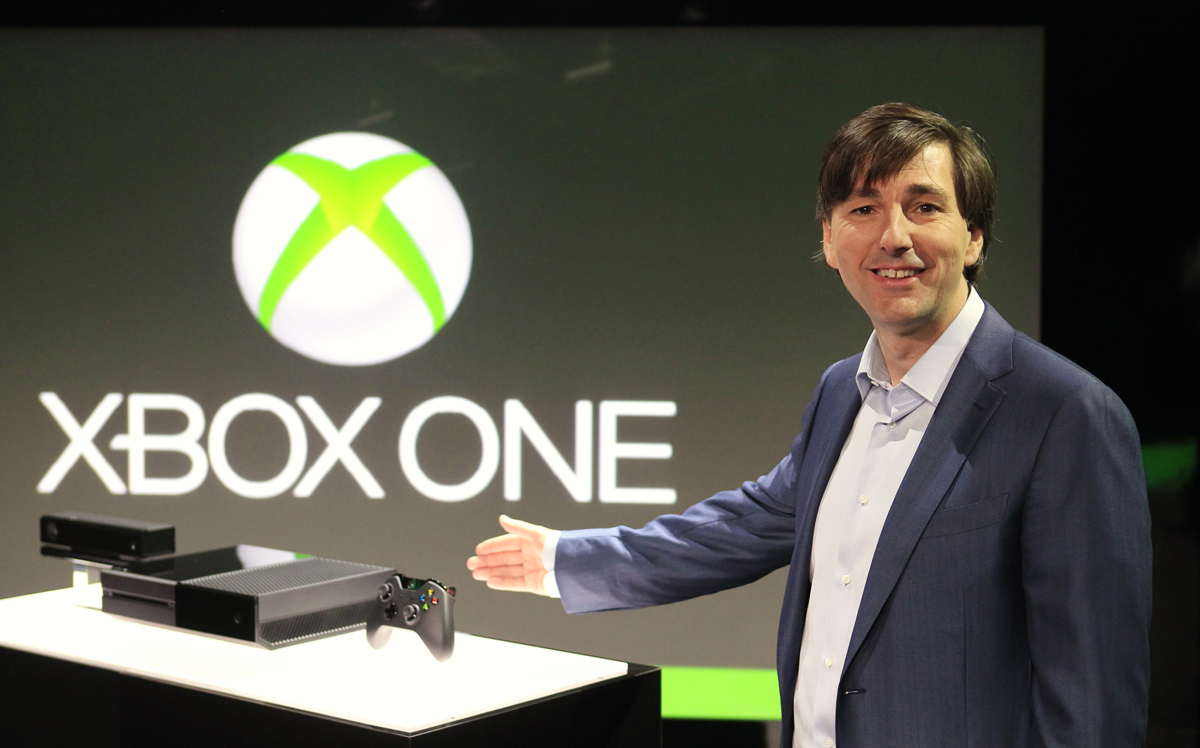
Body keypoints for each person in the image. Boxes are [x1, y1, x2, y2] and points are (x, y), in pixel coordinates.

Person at [467, 103, 1152, 747]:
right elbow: (746, 525)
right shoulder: (839, 391)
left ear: (973, 236)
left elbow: (1093, 699)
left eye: (924, 207)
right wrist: (564, 561)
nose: (894, 237)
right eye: (863, 209)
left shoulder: (1065, 414)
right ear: (828, 238)